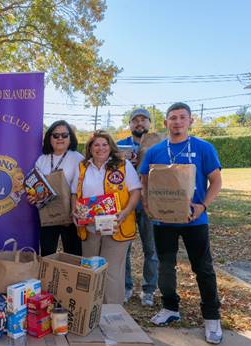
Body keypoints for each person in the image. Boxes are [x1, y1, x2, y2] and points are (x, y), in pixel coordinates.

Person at [139, 102, 223, 344]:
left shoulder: (203, 148)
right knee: (166, 266)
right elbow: (145, 180)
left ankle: (211, 317)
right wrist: (146, 204)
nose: (177, 122)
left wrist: (202, 205)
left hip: (194, 220)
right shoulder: (155, 151)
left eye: (182, 117)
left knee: (203, 268)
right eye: (172, 118)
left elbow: (216, 181)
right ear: (165, 123)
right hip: (163, 221)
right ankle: (170, 308)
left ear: (190, 121)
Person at [72, 130, 141, 304]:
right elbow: (74, 193)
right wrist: (75, 210)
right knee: (91, 268)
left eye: (104, 144)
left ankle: (112, 313)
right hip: (89, 226)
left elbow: (135, 192)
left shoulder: (124, 165)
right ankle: (90, 310)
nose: (100, 148)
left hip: (118, 225)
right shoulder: (82, 167)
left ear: (110, 147)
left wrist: (125, 212)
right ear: (90, 148)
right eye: (96, 145)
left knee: (111, 272)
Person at [117, 109, 159, 306]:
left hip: (150, 202)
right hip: (126, 203)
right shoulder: (119, 145)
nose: (139, 123)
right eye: (135, 120)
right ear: (130, 124)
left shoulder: (159, 143)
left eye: (143, 120)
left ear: (149, 123)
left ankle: (149, 290)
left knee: (151, 249)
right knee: (123, 246)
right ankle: (126, 286)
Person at [28, 120, 84, 256]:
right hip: (48, 214)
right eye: (56, 135)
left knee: (73, 253)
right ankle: (48, 277)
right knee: (47, 252)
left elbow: (80, 188)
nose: (60, 138)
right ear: (49, 138)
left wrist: (73, 212)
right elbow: (35, 187)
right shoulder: (42, 159)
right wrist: (32, 196)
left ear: (70, 138)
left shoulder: (79, 159)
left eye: (65, 135)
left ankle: (70, 277)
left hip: (71, 215)